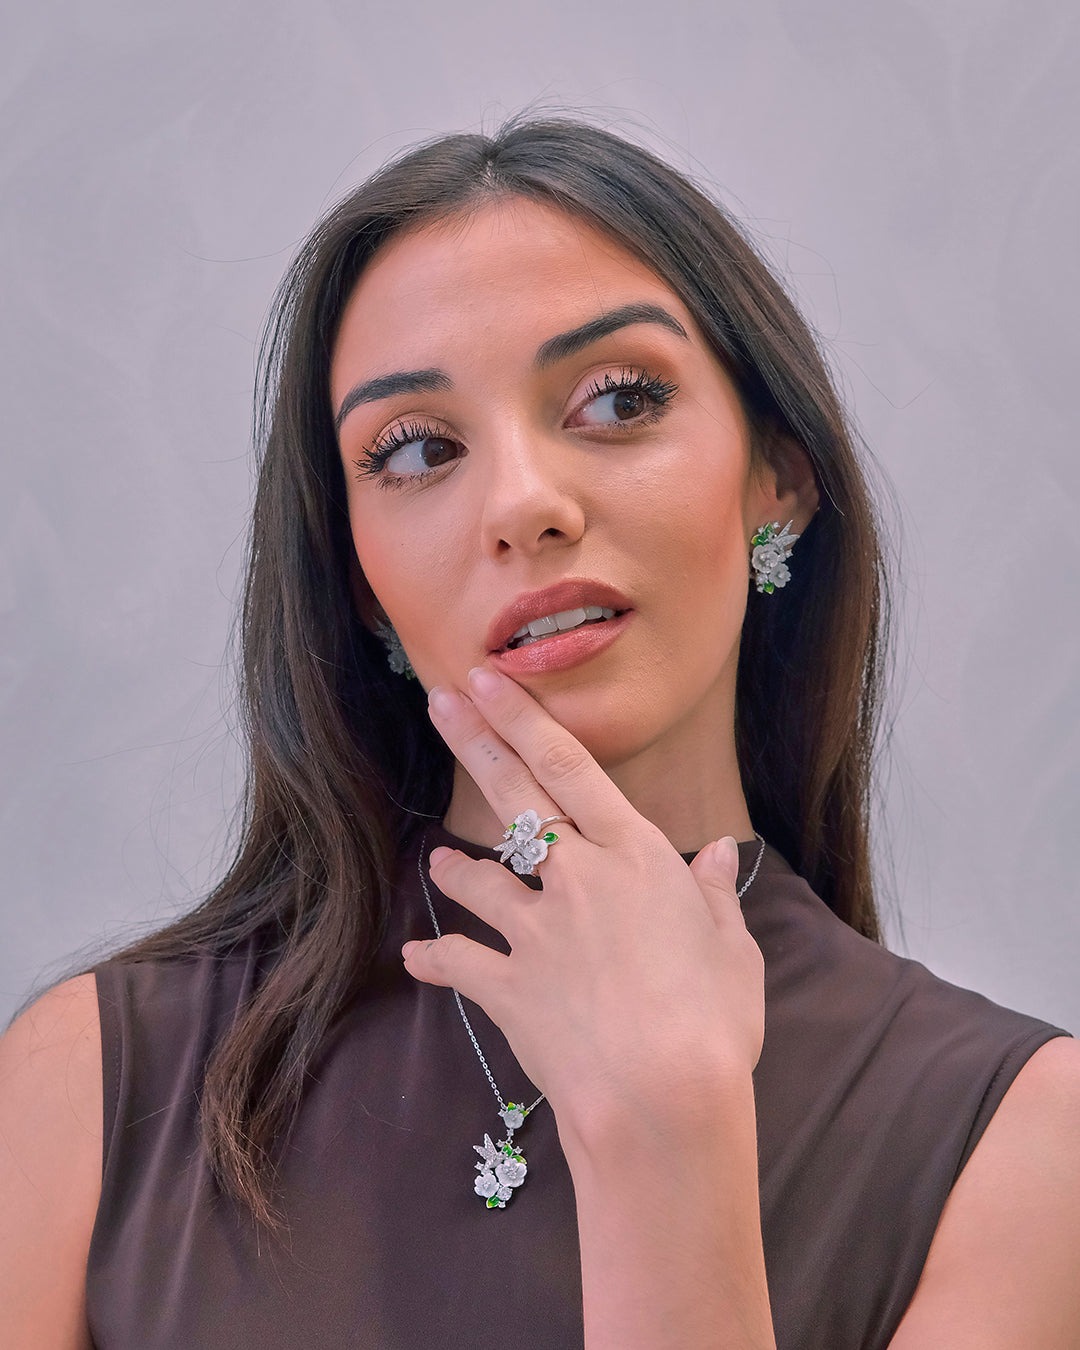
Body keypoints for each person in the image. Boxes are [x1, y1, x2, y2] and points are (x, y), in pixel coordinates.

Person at [2, 117, 1078, 1350]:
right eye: (415, 449)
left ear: (775, 474)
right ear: (358, 582)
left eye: (619, 400)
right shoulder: (92, 1084)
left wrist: (668, 1158)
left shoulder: (1016, 1146)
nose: (523, 505)